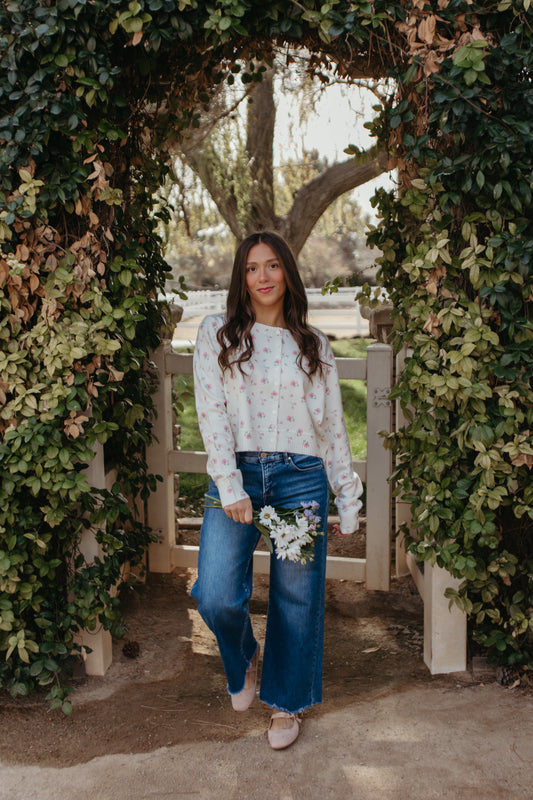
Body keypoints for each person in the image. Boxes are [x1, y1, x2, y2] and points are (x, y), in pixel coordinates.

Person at [191, 231, 362, 750]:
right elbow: (211, 413)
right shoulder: (217, 334)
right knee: (216, 592)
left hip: (300, 477)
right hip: (237, 473)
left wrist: (346, 496)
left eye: (271, 266)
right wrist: (229, 483)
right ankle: (244, 655)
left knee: (295, 598)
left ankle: (286, 704)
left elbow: (332, 426)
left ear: (287, 273)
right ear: (241, 278)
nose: (262, 277)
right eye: (251, 268)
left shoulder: (313, 345)